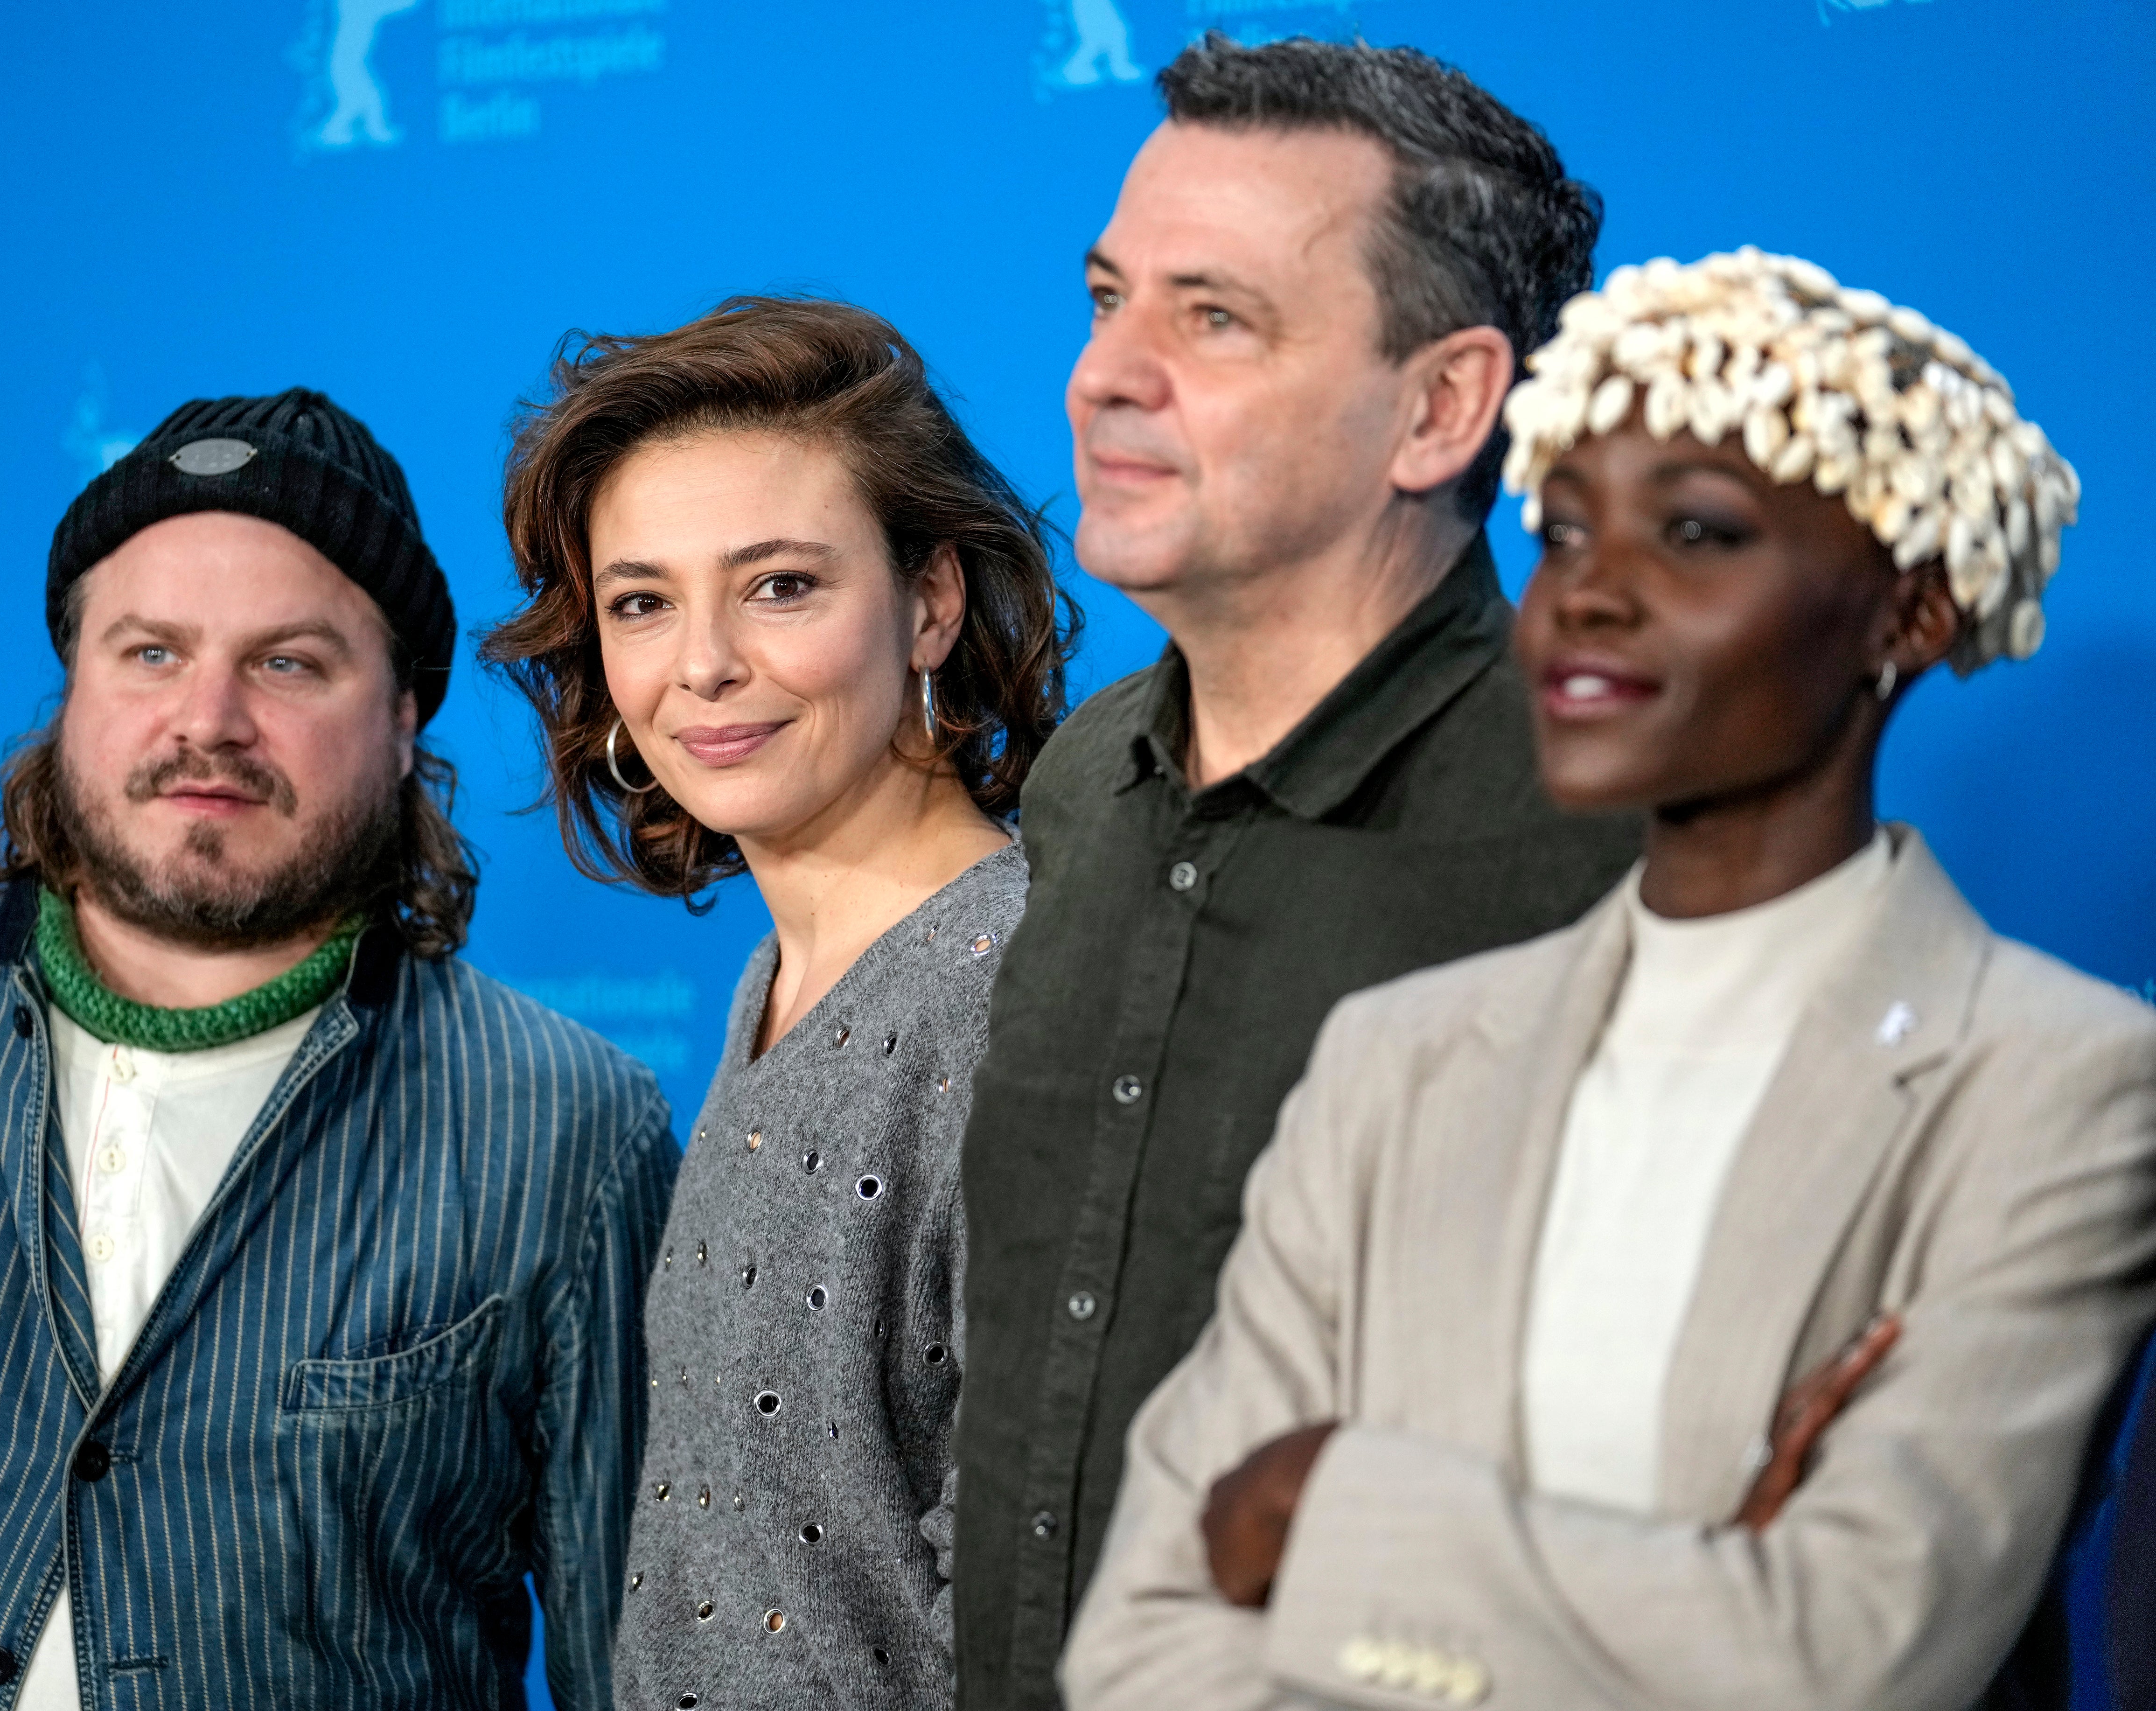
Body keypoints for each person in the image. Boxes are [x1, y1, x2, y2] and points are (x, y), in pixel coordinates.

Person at [1062, 248, 2155, 1711]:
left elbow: (1843, 1654)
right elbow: (1140, 1648)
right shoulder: (1399, 1053)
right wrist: (1685, 1579)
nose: (1588, 596)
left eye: (1696, 534)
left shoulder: (2061, 1078)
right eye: (1566, 536)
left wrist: (1330, 1503)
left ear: (1906, 617)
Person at [0, 390, 677, 1710]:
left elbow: (651, 1656)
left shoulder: (567, 1127)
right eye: (149, 652)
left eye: (288, 662)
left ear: (403, 723)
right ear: (72, 689)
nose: (206, 717)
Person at [953, 34, 1641, 1706]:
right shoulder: (1068, 791)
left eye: (1213, 319)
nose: (1103, 376)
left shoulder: (1622, 844)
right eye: (1108, 297)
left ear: (1441, 408)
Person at [482, 296, 1075, 1710]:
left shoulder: (1023, 987)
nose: (702, 664)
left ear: (928, 602)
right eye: (642, 602)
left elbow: (1028, 1590)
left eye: (780, 586)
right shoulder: (776, 978)